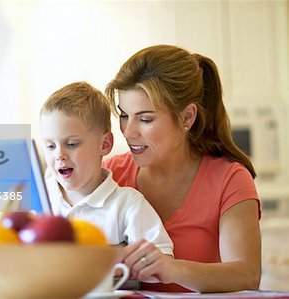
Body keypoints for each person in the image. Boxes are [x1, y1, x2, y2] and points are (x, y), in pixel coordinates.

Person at [103, 45, 261, 292]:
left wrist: (171, 269)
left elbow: (246, 274)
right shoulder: (108, 175)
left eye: (145, 119)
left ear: (187, 117)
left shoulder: (229, 179)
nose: (128, 132)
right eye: (124, 115)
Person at [39, 81, 174, 254]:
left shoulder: (127, 204)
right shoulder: (41, 198)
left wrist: (111, 255)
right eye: (50, 146)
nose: (59, 155)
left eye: (71, 144)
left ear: (104, 144)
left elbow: (162, 259)